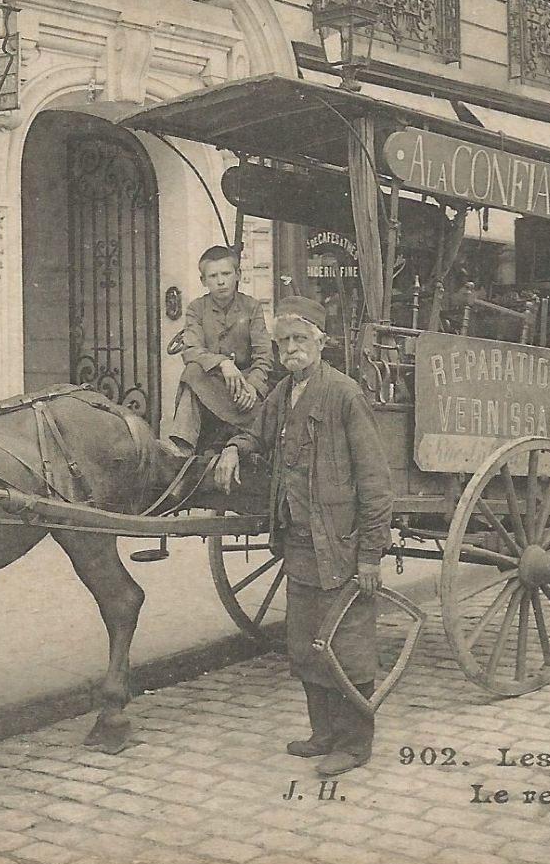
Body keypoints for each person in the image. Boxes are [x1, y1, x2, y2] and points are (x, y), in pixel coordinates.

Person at [214, 296, 393, 777]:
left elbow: (375, 483)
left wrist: (372, 554)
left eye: (301, 339)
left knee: (348, 645)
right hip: (298, 539)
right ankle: (323, 734)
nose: (292, 348)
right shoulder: (284, 393)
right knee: (306, 640)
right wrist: (234, 448)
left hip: (342, 542)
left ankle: (354, 745)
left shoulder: (344, 395)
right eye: (284, 341)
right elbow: (257, 430)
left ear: (320, 343)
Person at [161, 246, 273, 453]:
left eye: (226, 274)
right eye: (213, 276)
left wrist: (253, 388)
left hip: (244, 393)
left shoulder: (252, 307)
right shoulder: (197, 308)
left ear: (237, 275)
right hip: (212, 386)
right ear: (203, 281)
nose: (221, 281)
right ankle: (182, 445)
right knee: (193, 370)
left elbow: (264, 355)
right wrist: (223, 363)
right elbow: (191, 349)